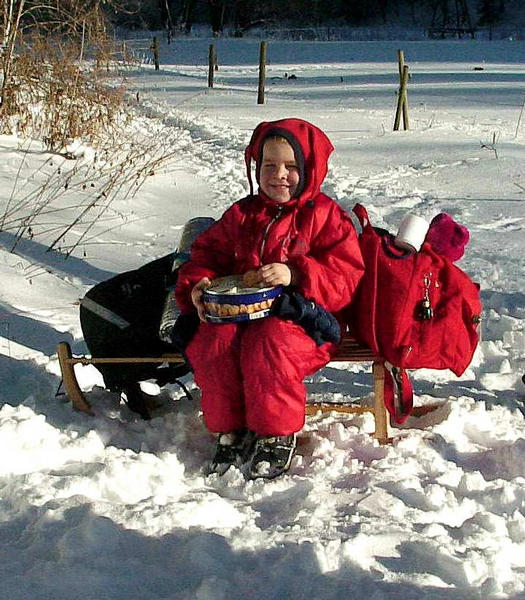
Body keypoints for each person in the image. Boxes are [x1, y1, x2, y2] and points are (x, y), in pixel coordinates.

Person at [175, 118, 364, 479]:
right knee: (213, 341)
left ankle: (276, 432)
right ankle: (230, 429)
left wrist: (296, 274)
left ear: (310, 170)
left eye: (292, 167)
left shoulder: (325, 218)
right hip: (240, 315)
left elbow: (345, 277)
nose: (279, 175)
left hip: (306, 322)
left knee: (269, 342)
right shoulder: (243, 214)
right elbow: (205, 255)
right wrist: (197, 284)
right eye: (269, 165)